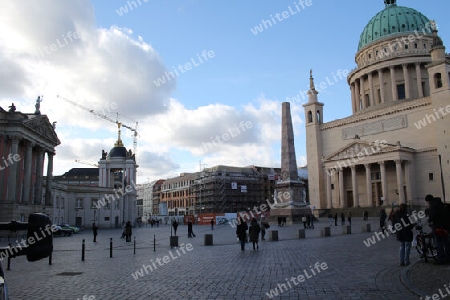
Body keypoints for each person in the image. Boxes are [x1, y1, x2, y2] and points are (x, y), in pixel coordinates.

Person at [425, 194, 450, 264]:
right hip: (445, 226)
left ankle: (440, 259)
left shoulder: (433, 205)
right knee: (446, 242)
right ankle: (448, 257)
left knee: (439, 243)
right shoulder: (441, 203)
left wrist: (429, 220)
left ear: (428, 201)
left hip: (437, 226)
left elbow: (432, 216)